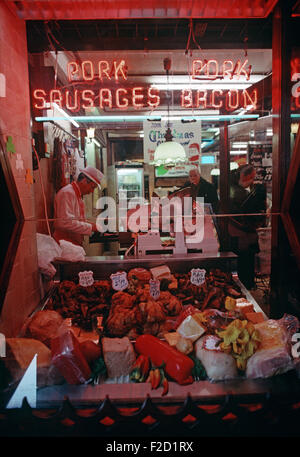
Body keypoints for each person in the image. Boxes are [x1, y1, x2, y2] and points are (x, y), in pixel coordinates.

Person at [228, 164, 266, 289]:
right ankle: (245, 286)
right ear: (244, 176)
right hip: (240, 233)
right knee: (244, 262)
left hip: (242, 233)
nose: (252, 181)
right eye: (251, 178)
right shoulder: (236, 191)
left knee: (246, 261)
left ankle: (246, 285)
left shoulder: (239, 189)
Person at [53, 166, 104, 247]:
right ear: (84, 181)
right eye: (92, 187)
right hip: (64, 244)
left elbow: (77, 220)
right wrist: (92, 227)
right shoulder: (67, 193)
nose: (91, 191)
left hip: (72, 244)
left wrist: (94, 225)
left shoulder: (77, 195)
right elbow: (65, 222)